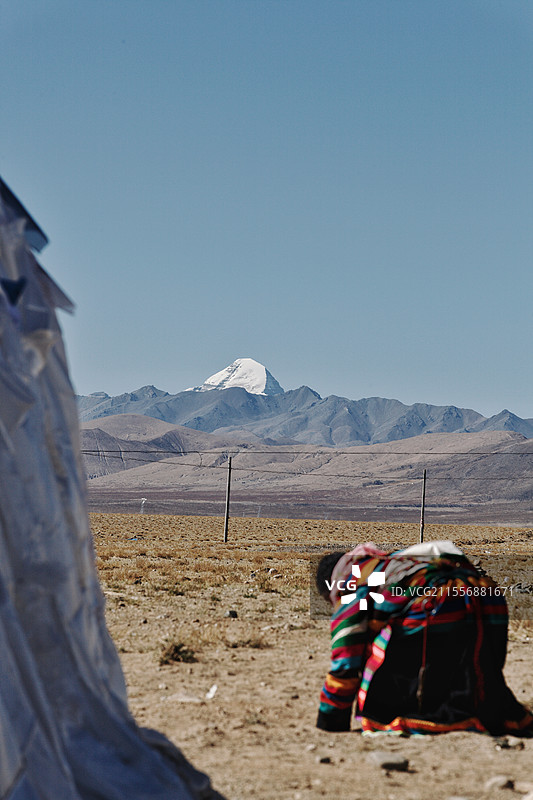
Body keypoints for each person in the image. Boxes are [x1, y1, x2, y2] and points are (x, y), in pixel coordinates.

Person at [316, 541, 533, 735]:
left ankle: (422, 712)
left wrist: (331, 718)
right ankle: (480, 708)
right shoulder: (392, 564)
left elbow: (347, 655)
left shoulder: (353, 582)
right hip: (487, 596)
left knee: (382, 645)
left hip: (439, 601)